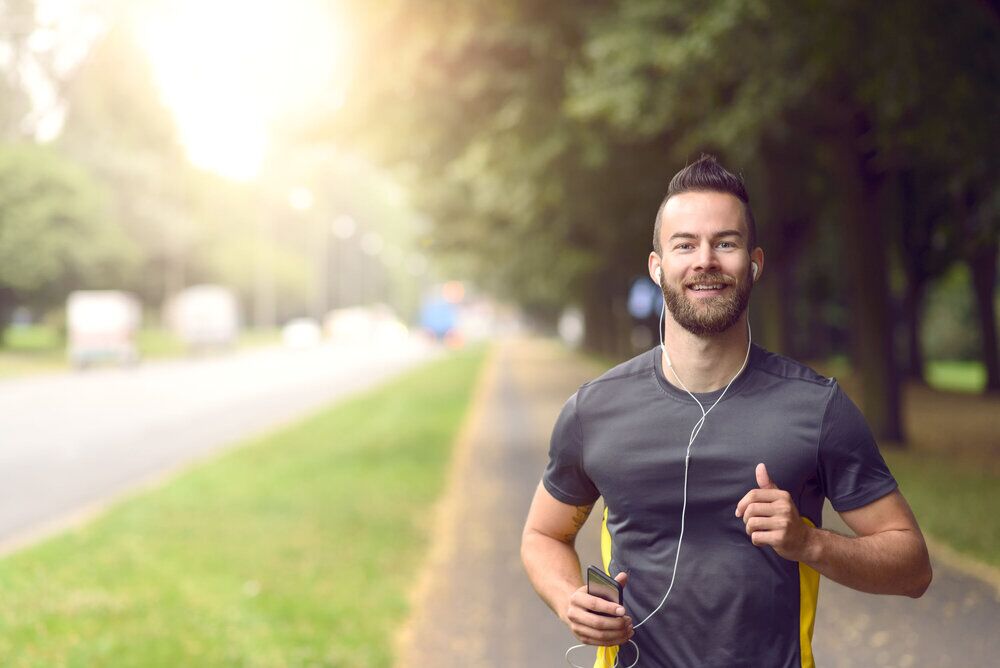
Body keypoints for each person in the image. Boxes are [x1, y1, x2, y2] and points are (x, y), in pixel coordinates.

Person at [520, 155, 932, 668]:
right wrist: (568, 601)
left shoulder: (817, 407)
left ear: (754, 262)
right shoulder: (594, 409)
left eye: (726, 243)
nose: (705, 260)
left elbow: (913, 566)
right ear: (657, 266)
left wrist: (810, 542)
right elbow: (543, 535)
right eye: (685, 244)